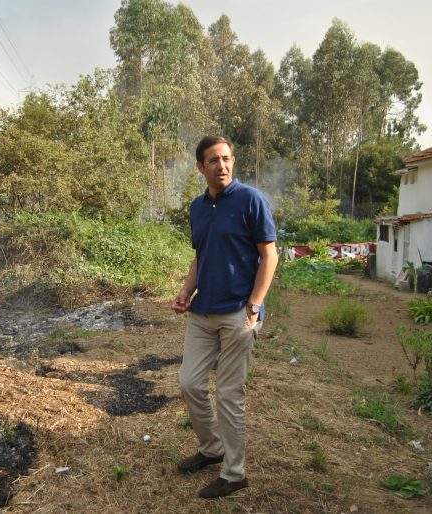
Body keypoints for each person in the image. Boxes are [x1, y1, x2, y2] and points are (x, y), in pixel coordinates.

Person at [172, 135, 278, 499]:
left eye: (227, 158)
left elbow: (269, 255)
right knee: (190, 383)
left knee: (230, 394)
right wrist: (186, 291)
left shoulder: (251, 200)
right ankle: (212, 448)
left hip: (238, 312)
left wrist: (254, 305)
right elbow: (201, 256)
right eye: (214, 160)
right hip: (203, 311)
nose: (222, 165)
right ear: (200, 166)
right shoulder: (198, 207)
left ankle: (234, 474)